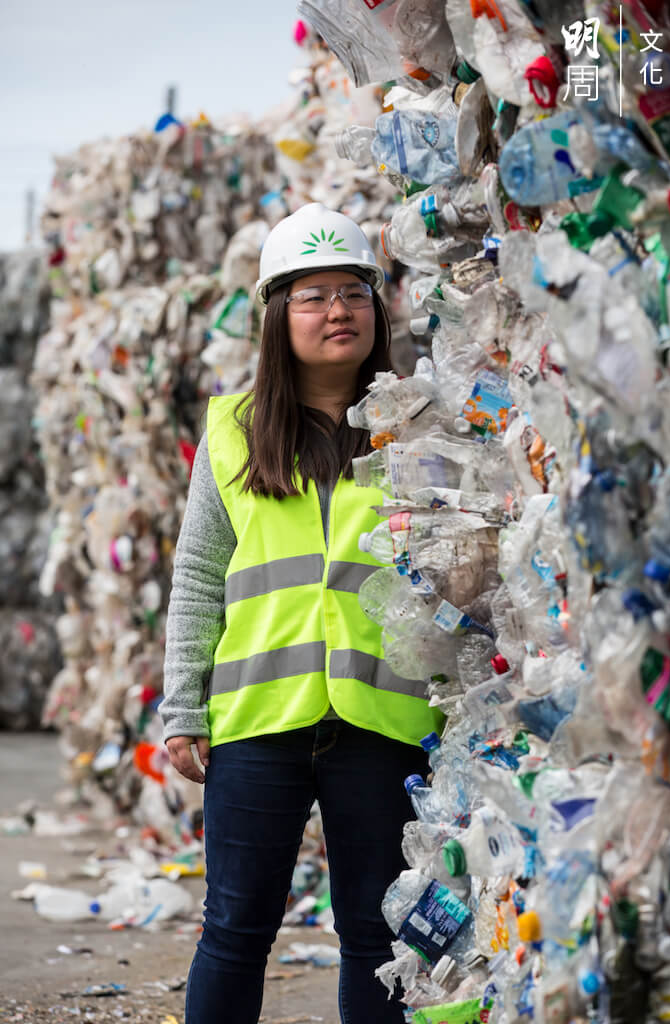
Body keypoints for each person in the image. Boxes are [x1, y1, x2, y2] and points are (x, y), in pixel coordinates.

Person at [160, 203, 444, 1024]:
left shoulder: (422, 426)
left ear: (376, 308)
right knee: (235, 929)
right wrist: (184, 704)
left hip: (383, 716)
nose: (337, 311)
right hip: (257, 718)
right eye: (312, 295)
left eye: (353, 291)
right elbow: (199, 576)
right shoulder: (233, 430)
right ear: (278, 315)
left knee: (375, 933)